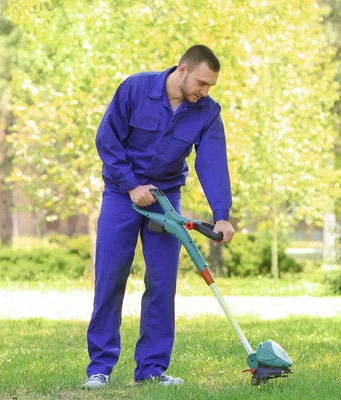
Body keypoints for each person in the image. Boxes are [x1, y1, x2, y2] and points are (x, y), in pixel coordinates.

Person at [84, 44, 235, 388]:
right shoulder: (135, 88)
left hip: (165, 200)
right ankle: (100, 368)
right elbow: (107, 139)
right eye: (201, 83)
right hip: (122, 196)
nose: (204, 92)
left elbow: (211, 162)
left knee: (162, 283)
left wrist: (222, 215)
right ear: (182, 69)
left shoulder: (206, 111)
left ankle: (151, 370)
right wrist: (130, 184)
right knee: (111, 277)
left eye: (210, 86)